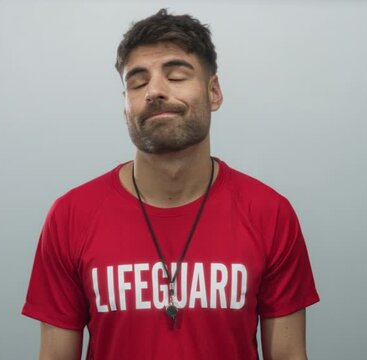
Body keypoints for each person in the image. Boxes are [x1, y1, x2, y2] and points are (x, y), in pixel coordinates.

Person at [22, 8, 320, 360]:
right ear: (125, 107)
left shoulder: (270, 213)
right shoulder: (71, 215)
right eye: (137, 82)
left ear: (214, 92)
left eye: (176, 76)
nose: (155, 91)